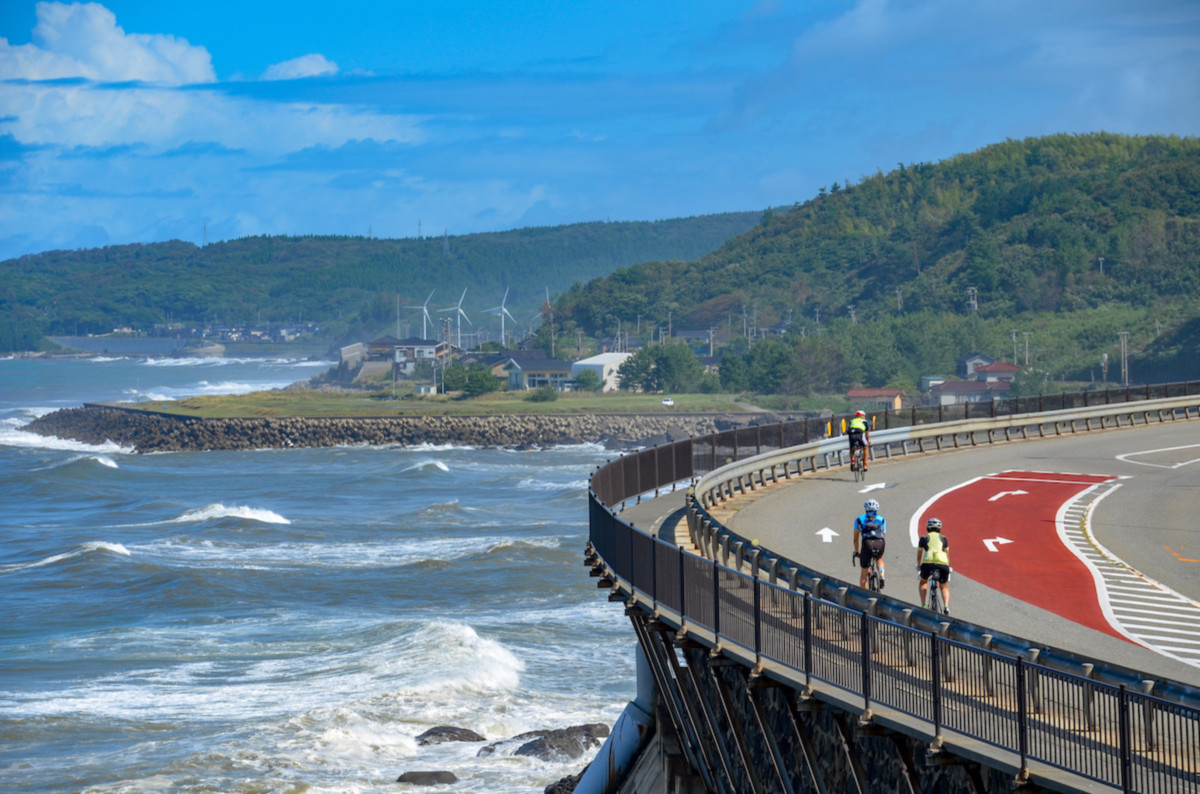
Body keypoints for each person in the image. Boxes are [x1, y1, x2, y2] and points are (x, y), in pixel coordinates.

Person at [918, 517, 951, 614]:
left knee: (923, 582)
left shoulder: (924, 538)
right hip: (943, 564)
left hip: (927, 563)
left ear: (927, 528)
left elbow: (919, 555)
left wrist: (918, 565)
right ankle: (946, 607)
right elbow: (947, 555)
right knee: (944, 586)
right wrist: (948, 565)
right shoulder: (944, 538)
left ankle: (923, 605)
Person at [852, 498, 886, 589]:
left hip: (867, 544)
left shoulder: (859, 519)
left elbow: (855, 539)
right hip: (880, 542)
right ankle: (882, 574)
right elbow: (883, 535)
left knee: (864, 572)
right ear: (877, 509)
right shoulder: (882, 519)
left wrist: (857, 552)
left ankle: (865, 596)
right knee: (879, 558)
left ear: (865, 509)